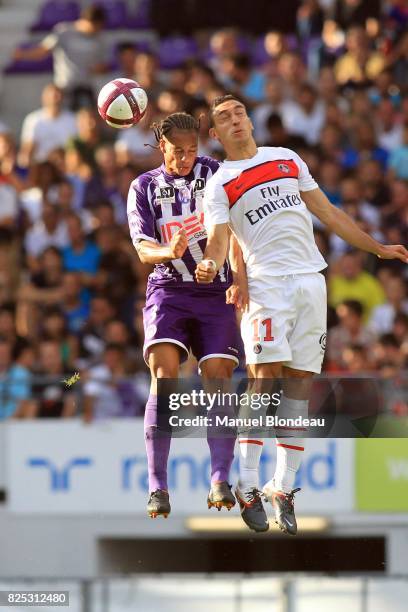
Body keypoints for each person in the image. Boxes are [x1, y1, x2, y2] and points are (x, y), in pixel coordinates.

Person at [195, 94, 408, 534]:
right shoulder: (219, 182)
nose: (235, 120)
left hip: (311, 279)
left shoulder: (287, 158)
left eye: (239, 112)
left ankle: (282, 486)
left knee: (300, 385)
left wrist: (377, 248)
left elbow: (327, 212)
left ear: (249, 119)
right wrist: (213, 266)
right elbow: (219, 239)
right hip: (267, 283)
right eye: (224, 118)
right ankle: (248, 483)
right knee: (264, 377)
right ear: (214, 135)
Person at [127, 112, 242, 519]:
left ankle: (219, 479)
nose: (187, 158)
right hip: (169, 289)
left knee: (218, 376)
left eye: (193, 149)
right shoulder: (143, 187)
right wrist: (168, 251)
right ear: (162, 146)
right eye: (178, 151)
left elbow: (224, 229)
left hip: (213, 289)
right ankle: (158, 487)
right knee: (164, 376)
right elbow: (143, 249)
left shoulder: (215, 173)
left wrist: (212, 261)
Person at [13, 4, 109, 110]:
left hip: (85, 88)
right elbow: (43, 50)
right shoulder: (63, 31)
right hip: (64, 89)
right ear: (87, 20)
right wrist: (23, 54)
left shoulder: (99, 39)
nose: (97, 30)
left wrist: (99, 69)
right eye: (96, 26)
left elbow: (103, 65)